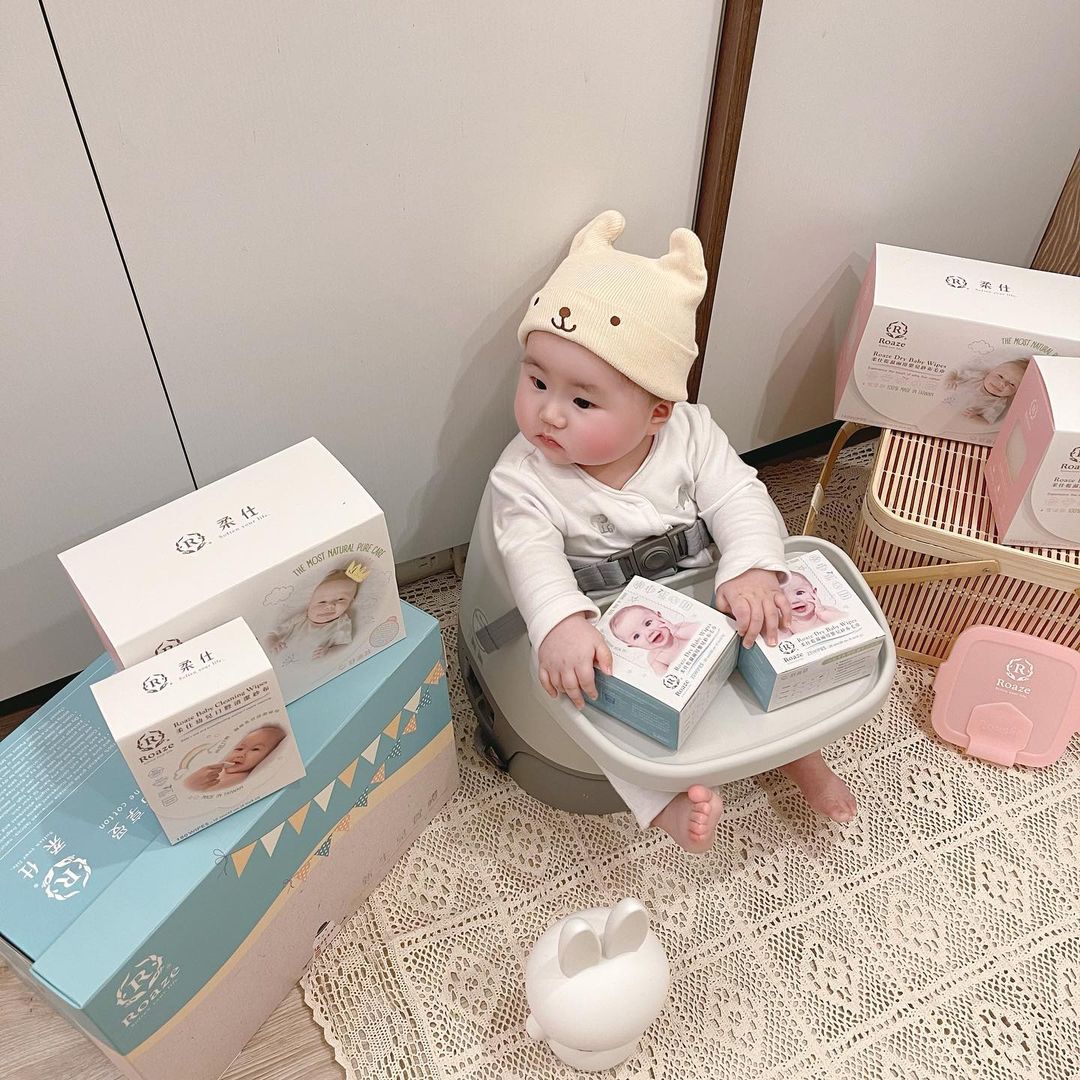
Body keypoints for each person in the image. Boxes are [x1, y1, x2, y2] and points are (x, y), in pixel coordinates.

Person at [490, 210, 857, 854]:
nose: (549, 412)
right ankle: (657, 801)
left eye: (582, 400)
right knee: (585, 690)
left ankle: (799, 754)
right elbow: (527, 555)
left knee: (772, 634)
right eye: (537, 380)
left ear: (658, 411)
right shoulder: (524, 478)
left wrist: (750, 565)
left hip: (710, 583)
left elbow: (740, 495)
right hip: (608, 613)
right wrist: (560, 623)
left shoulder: (691, 434)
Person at [267, 569, 358, 660]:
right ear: (310, 603)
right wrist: (272, 643)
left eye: (340, 599)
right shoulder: (301, 618)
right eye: (322, 602)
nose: (330, 606)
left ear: (350, 602)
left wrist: (329, 652)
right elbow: (272, 634)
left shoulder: (341, 623)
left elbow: (345, 646)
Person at [184, 724, 286, 791]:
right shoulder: (222, 768)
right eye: (239, 749)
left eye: (255, 749)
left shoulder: (238, 777)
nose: (241, 754)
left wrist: (190, 784)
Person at [608, 604, 700, 675]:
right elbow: (664, 678)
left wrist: (677, 632)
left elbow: (702, 630)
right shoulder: (655, 660)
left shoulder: (681, 627)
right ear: (633, 646)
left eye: (648, 623)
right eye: (636, 636)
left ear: (659, 616)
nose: (649, 633)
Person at [776, 572, 846, 638]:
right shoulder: (787, 623)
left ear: (814, 592)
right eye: (784, 597)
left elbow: (845, 620)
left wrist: (822, 613)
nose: (794, 601)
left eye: (800, 593)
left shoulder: (826, 610)